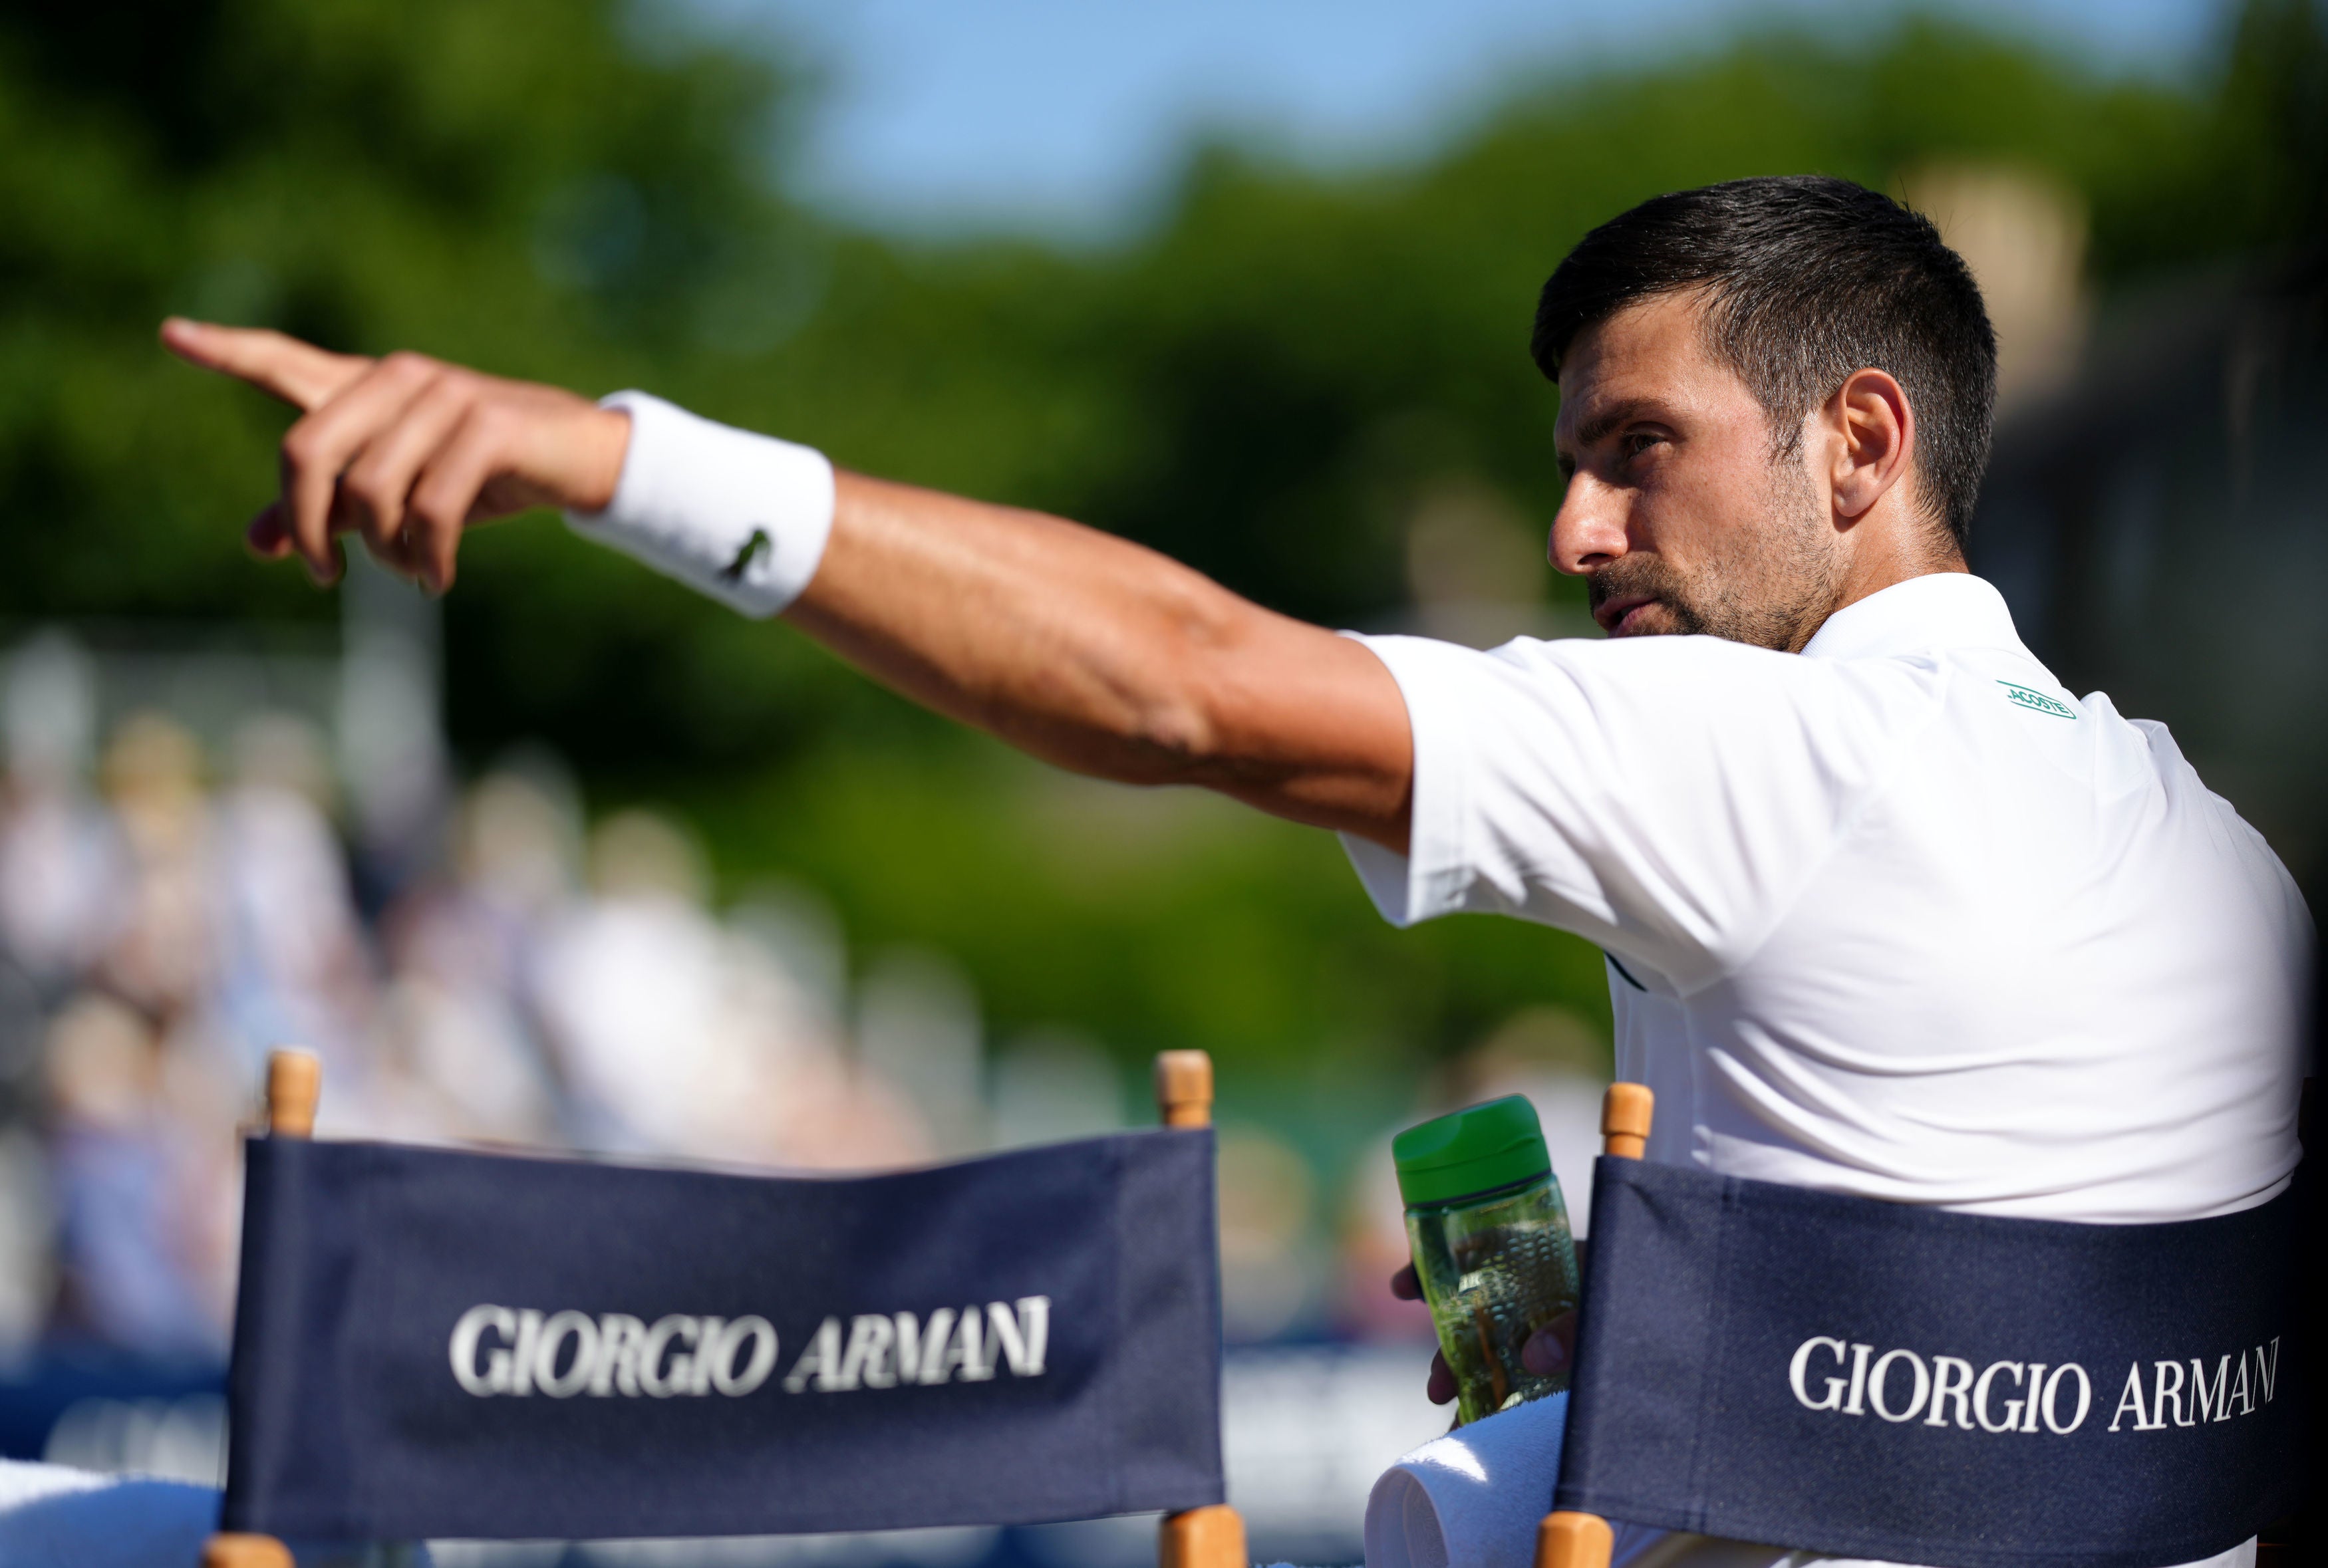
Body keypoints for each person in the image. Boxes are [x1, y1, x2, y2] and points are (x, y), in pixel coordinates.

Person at [161, 176, 2305, 1568]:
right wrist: (1614, 1360)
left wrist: (612, 455)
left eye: (1629, 450)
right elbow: (1975, 1367)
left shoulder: (1762, 744)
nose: (1570, 539)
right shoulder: (2226, 863)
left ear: (1859, 444)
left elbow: (1179, 691)